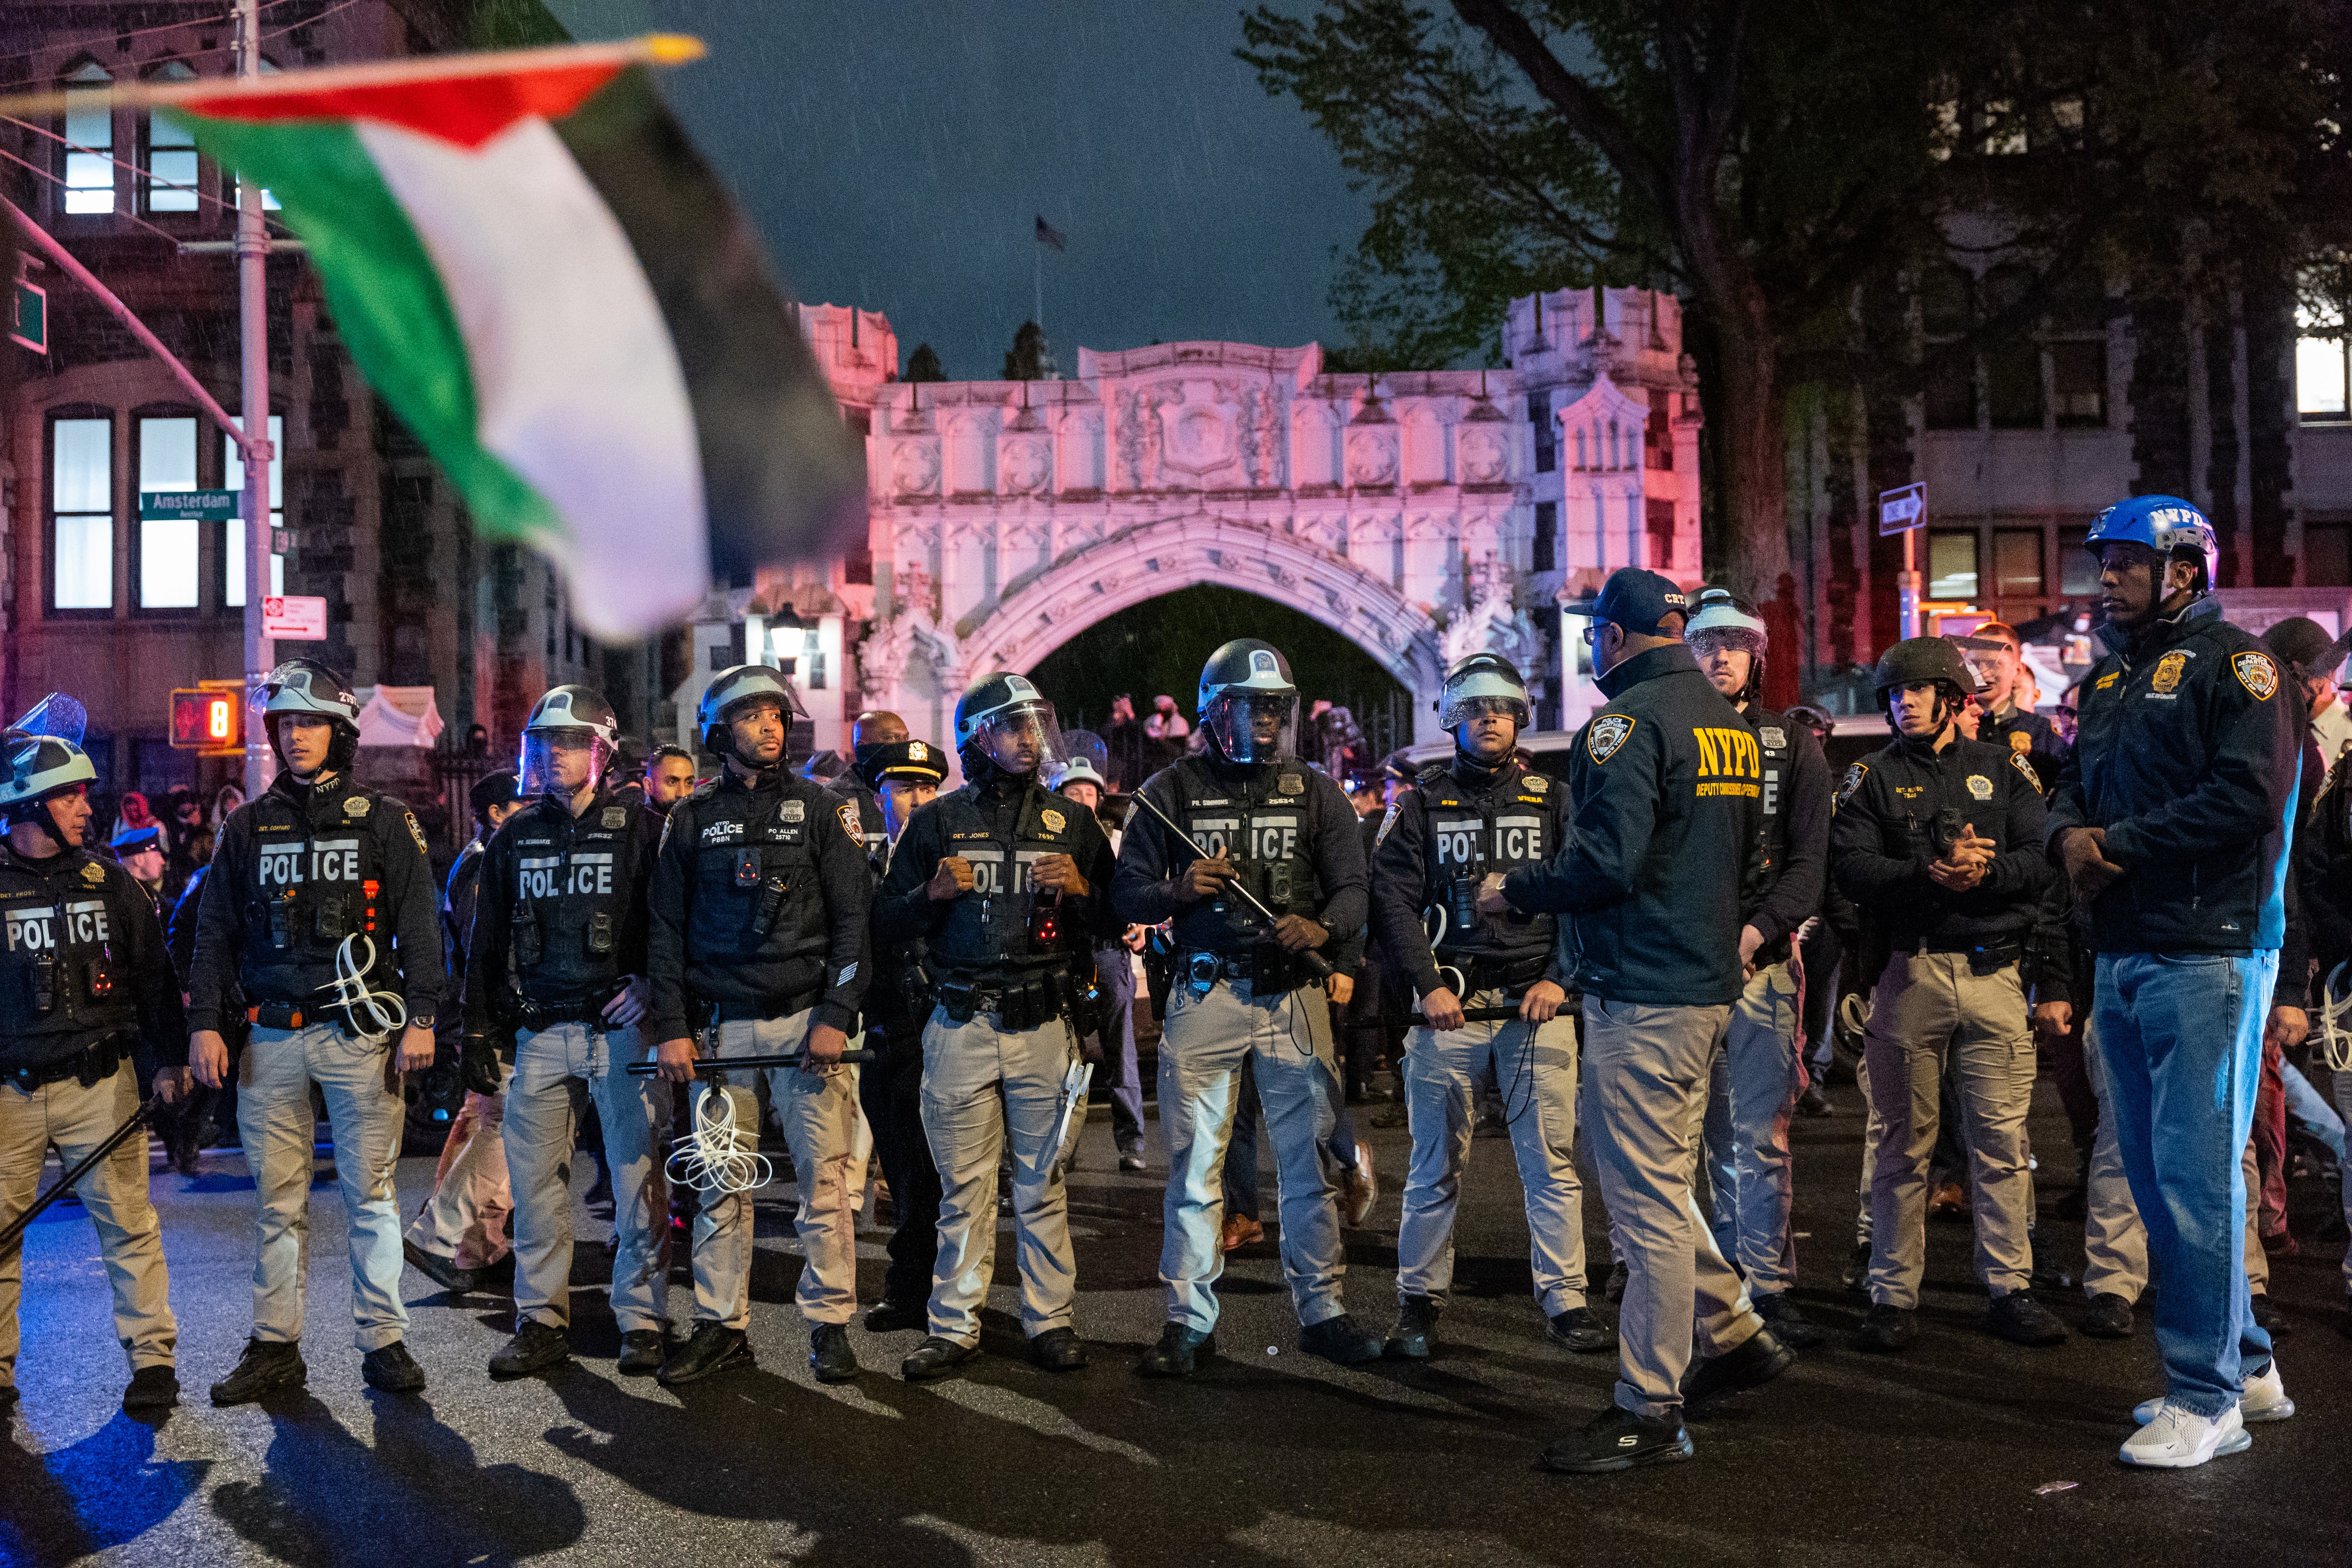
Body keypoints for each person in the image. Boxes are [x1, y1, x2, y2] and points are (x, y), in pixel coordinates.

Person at [1481, 567, 1786, 1474]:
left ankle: (1649, 1405)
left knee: (1646, 1203)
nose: (1589, 651)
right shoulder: (1727, 723)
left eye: (1591, 636)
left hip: (1643, 987)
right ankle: (1732, 1327)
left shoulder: (1625, 723)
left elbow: (1605, 862)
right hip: (1700, 981)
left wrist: (1515, 891)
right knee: (1663, 1178)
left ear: (1615, 636)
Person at [2047, 495, 2300, 1468]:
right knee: (2159, 1179)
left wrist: (2112, 845)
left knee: (2193, 1179)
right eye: (2102, 561)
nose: (2103, 577)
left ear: (2183, 569)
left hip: (2210, 947)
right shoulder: (2112, 678)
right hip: (2128, 945)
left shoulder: (2238, 665)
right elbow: (2070, 782)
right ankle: (2245, 1364)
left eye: (2121, 562)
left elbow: (2246, 796)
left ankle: (2208, 1397)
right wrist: (2068, 833)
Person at [1114, 639, 1380, 1377]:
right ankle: (1188, 1321)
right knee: (1196, 1164)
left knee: (1309, 1164)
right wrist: (1180, 890)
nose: (1263, 721)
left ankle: (1322, 1310)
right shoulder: (1168, 792)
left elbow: (1355, 889)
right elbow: (1126, 892)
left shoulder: (1316, 789)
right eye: (1248, 706)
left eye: (1274, 707)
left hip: (1292, 991)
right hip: (1207, 991)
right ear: (1212, 711)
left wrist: (1325, 929)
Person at [187, 660, 443, 1402]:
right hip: (268, 1036)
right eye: (286, 723)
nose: (296, 736)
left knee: (372, 1195)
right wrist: (207, 1023)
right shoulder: (246, 826)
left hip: (359, 1033)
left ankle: (385, 1341)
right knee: (277, 1206)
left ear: (341, 733)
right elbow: (213, 935)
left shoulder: (386, 819)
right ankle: (275, 1347)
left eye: (311, 722)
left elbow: (421, 926)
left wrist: (422, 1015)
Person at [875, 675, 1120, 1380]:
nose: (1030, 739)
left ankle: (1052, 1320)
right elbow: (885, 922)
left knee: (1044, 1180)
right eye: (1013, 726)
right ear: (976, 736)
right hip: (958, 1019)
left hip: (1045, 1018)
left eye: (1034, 725)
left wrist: (1083, 891)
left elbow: (1115, 917)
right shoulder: (937, 822)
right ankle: (954, 1325)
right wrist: (931, 893)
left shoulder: (1072, 823)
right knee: (965, 1184)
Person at [1831, 637, 2069, 1355]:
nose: (1903, 702)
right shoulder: (1867, 776)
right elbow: (1849, 868)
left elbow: (2041, 861)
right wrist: (1930, 873)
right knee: (1904, 1146)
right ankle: (1891, 1294)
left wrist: (1982, 877)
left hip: (1997, 976)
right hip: (1910, 974)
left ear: (1953, 698)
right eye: (1895, 694)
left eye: (1917, 691)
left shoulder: (2006, 769)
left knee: (2002, 1144)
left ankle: (2011, 1288)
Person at [1369, 652, 1603, 1361]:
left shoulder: (1556, 798)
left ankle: (1566, 1301)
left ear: (1521, 715)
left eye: (1501, 708)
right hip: (1452, 1004)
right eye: (1475, 709)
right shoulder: (1419, 804)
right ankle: (1418, 1302)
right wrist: (1429, 985)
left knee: (1550, 1164)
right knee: (1433, 1164)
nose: (1490, 718)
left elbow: (1586, 893)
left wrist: (1561, 978)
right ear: (1452, 719)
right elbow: (1392, 901)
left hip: (1539, 1003)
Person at [645, 665, 874, 1387]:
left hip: (808, 1028)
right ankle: (721, 1324)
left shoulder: (822, 810)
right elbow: (665, 931)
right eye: (750, 717)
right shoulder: (688, 819)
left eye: (776, 714)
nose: (769, 726)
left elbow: (853, 928)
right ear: (721, 732)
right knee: (720, 1185)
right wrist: (674, 1027)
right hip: (721, 1033)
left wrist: (835, 1016)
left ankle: (831, 1325)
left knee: (825, 1185)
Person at [462, 688, 672, 1380]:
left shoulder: (644, 829)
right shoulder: (515, 837)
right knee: (536, 1185)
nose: (554, 755)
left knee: (638, 1179)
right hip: (541, 1029)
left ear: (602, 751)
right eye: (545, 743)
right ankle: (539, 1320)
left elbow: (671, 928)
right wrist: (480, 1036)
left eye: (570, 742)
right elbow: (485, 944)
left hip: (619, 1030)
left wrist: (649, 987)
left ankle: (641, 1321)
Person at [0, 712, 189, 1414]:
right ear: (27, 805)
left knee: (129, 1225)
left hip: (101, 1083)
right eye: (70, 795)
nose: (87, 806)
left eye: (86, 794)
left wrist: (169, 1060)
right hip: (8, 1091)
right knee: (1, 1239)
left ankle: (152, 1361)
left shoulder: (109, 881)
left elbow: (154, 979)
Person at [1683, 589, 1832, 1350]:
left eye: (1735, 645)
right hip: (1679, 970)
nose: (1719, 657)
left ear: (1756, 658)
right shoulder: (1666, 736)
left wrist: (1757, 930)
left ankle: (1766, 1283)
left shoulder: (1793, 745)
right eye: (1706, 644)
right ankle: (1696, 1285)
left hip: (1765, 965)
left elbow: (1810, 865)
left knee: (1758, 1137)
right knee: (1685, 1142)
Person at [404, 770, 522, 1297]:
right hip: (496, 1016)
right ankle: (438, 1233)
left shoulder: (489, 857)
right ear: (495, 813)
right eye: (521, 804)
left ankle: (477, 1250)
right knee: (502, 1126)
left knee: (480, 1122)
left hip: (487, 1015)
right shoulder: (481, 865)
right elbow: (484, 949)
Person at [853, 736, 951, 1335]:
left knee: (932, 1169)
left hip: (936, 1023)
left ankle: (920, 1289)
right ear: (880, 792)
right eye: (904, 786)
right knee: (897, 1161)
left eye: (927, 786)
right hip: (880, 1021)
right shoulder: (860, 854)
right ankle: (915, 1285)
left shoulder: (951, 849)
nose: (917, 797)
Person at [1053, 755, 1149, 1170]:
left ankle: (1132, 1143)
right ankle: (1064, 1145)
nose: (1083, 799)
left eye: (1089, 792)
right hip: (1068, 955)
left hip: (1109, 954)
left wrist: (1141, 923)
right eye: (1073, 792)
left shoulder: (1115, 840)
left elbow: (1135, 890)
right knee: (1067, 1055)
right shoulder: (1051, 840)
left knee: (1120, 1050)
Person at [1963, 622, 2069, 790]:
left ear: (2018, 670)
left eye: (1993, 664)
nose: (1983, 673)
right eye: (1975, 663)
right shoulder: (1951, 725)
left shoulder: (2041, 732)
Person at [111, 823, 168, 911]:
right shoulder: (124, 900)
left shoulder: (151, 895)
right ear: (139, 860)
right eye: (157, 856)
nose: (162, 861)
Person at [643, 745, 697, 814]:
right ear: (649, 786)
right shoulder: (632, 822)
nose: (683, 794)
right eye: (672, 782)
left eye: (689, 783)